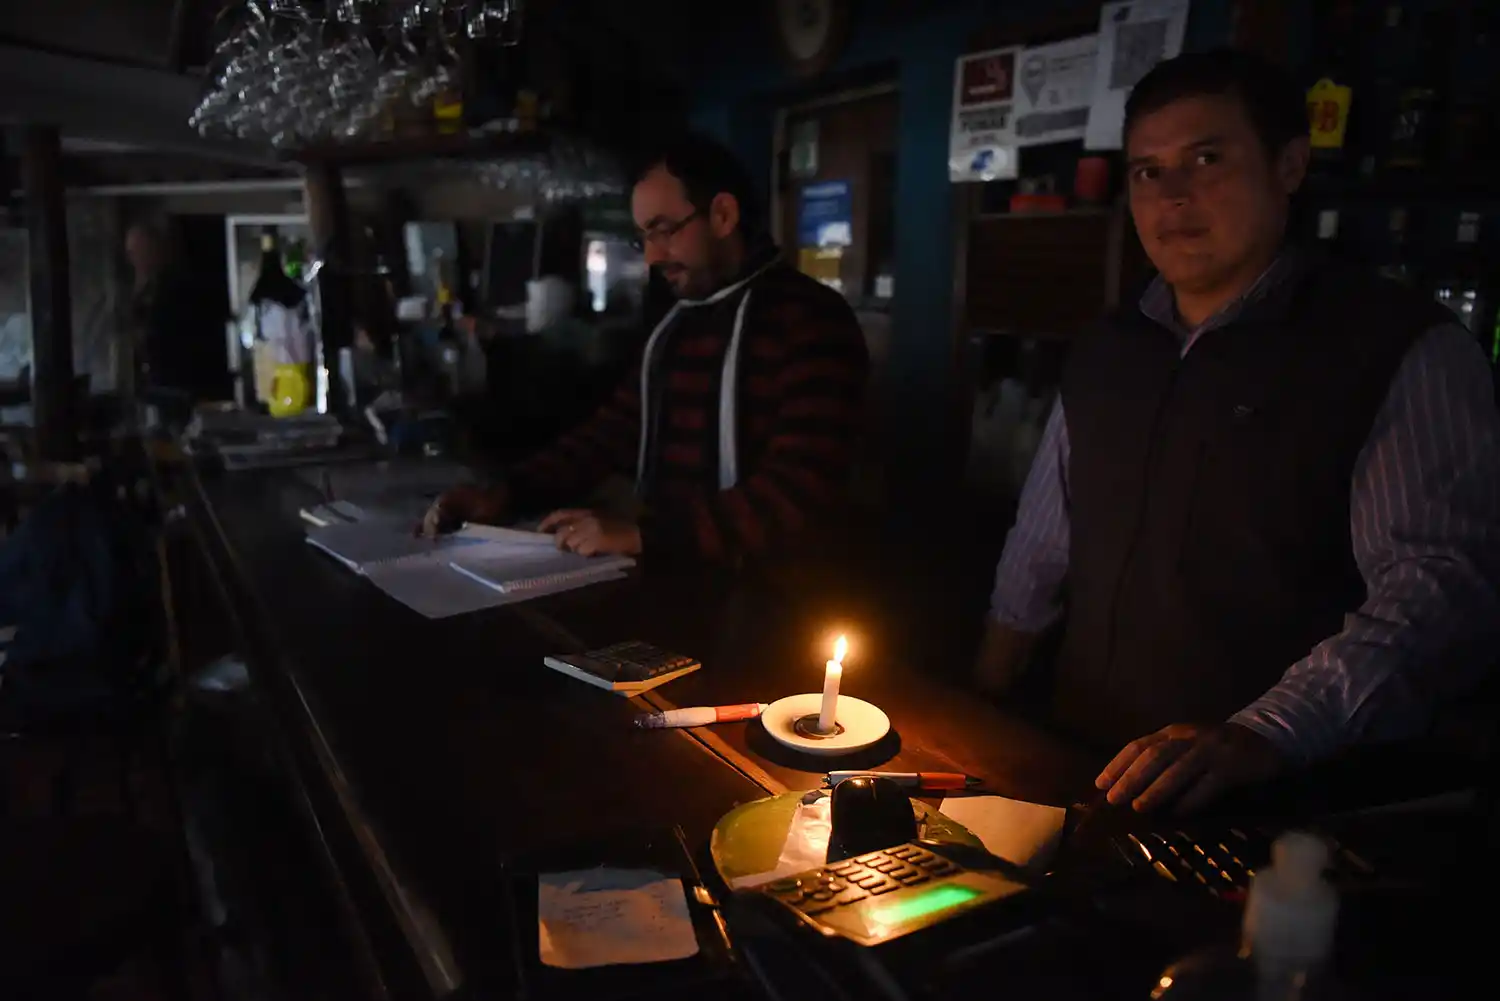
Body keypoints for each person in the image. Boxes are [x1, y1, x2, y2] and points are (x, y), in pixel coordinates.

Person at [974, 50, 1500, 813]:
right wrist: (981, 697)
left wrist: (1269, 731)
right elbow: (1042, 543)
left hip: (1280, 800)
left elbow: (1440, 589)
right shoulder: (1109, 346)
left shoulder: (1394, 346)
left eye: (1206, 158)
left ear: (1289, 165)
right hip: (1087, 764)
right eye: (1148, 171)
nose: (1172, 195)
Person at [423, 133, 869, 564]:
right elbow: (610, 434)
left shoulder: (810, 320)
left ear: (723, 215)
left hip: (781, 603)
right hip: (682, 584)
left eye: (664, 230)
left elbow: (800, 491)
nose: (653, 258)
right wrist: (502, 494)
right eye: (644, 238)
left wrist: (642, 533)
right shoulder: (677, 326)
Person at [125, 222, 229, 402]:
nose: (135, 259)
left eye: (140, 251)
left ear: (156, 250)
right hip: (151, 384)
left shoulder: (180, 288)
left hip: (180, 385)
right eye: (131, 253)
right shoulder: (136, 291)